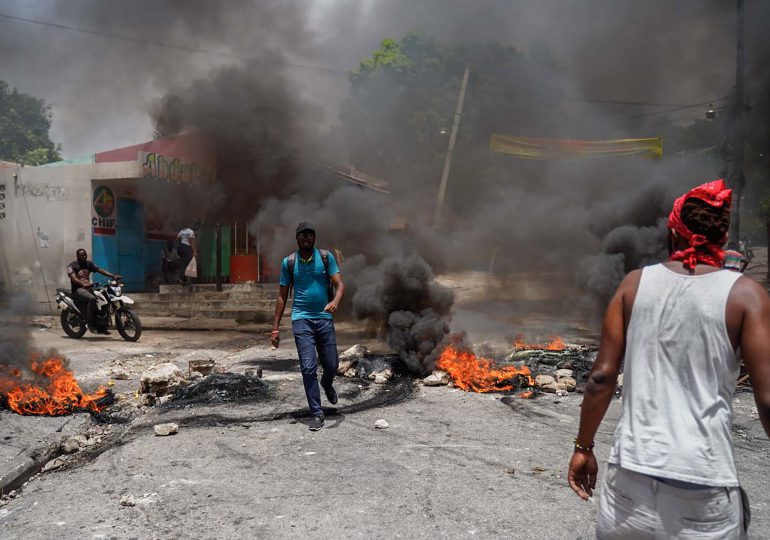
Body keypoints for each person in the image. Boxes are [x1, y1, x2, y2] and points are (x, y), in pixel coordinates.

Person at [567, 179, 770, 539]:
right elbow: (767, 398)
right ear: (722, 239)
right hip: (703, 483)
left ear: (672, 233)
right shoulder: (747, 296)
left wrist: (583, 446)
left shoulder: (633, 284)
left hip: (630, 476)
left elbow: (600, 378)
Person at [271, 222, 345, 431]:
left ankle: (327, 383)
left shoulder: (325, 257)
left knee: (331, 365)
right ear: (296, 238)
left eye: (309, 234)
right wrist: (275, 328)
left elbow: (340, 285)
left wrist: (335, 302)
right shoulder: (289, 262)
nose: (306, 238)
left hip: (324, 318)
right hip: (301, 319)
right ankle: (317, 412)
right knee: (308, 367)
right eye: (302, 235)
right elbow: (282, 296)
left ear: (314, 238)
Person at [66, 248, 121, 334]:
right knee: (92, 298)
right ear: (77, 256)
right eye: (82, 255)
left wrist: (113, 276)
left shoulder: (88, 264)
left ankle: (102, 326)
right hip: (78, 289)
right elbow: (73, 278)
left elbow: (100, 270)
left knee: (103, 297)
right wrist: (82, 283)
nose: (84, 256)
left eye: (85, 254)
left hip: (89, 287)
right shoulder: (72, 266)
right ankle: (90, 322)